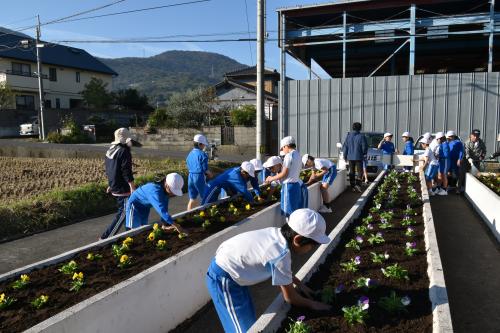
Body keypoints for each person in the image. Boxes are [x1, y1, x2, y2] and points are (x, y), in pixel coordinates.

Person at [206, 208, 332, 333]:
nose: (312, 249)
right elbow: (290, 298)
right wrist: (312, 304)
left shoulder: (277, 233)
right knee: (243, 330)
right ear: (297, 240)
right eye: (313, 245)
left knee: (248, 320)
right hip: (224, 278)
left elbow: (284, 273)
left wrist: (301, 285)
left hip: (234, 271)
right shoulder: (281, 255)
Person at [101, 128, 137, 239]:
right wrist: (132, 186)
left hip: (115, 185)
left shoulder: (111, 150)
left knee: (129, 210)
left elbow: (110, 169)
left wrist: (111, 184)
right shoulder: (124, 151)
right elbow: (126, 170)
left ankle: (130, 234)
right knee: (124, 213)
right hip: (123, 187)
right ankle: (105, 238)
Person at [265, 136, 307, 217]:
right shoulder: (298, 155)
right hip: (296, 186)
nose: (282, 150)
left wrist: (271, 178)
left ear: (286, 146)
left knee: (288, 213)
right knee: (295, 211)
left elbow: (284, 173)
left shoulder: (289, 156)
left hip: (288, 186)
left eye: (282, 148)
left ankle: (290, 229)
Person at [186, 134, 212, 211]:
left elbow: (188, 164)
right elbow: (205, 170)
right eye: (204, 144)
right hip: (199, 177)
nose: (204, 146)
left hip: (190, 176)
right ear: (200, 144)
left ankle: (188, 214)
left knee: (192, 198)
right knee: (206, 196)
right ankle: (205, 212)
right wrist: (211, 175)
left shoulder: (190, 154)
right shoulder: (202, 154)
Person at [342, 122, 368, 193]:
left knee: (352, 171)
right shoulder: (362, 136)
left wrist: (345, 156)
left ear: (353, 128)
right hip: (359, 156)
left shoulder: (348, 136)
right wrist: (364, 153)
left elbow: (345, 147)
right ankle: (358, 185)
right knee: (360, 171)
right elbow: (364, 147)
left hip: (350, 157)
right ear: (360, 128)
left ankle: (353, 186)